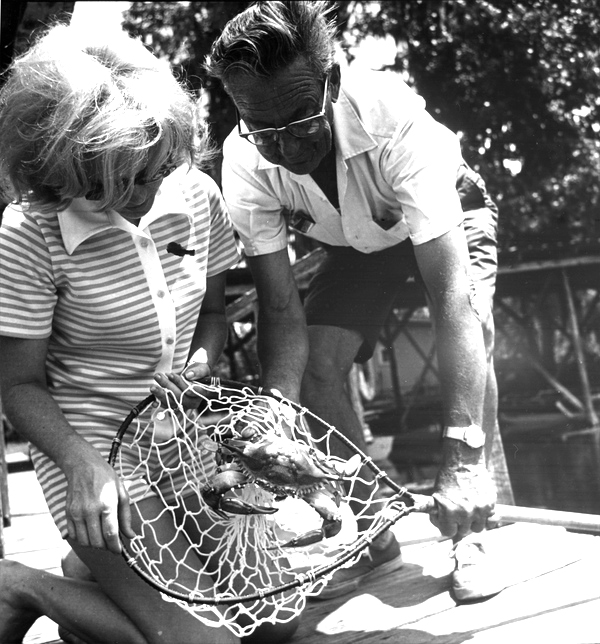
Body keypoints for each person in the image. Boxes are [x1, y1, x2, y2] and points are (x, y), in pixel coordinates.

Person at [206, 0, 515, 603]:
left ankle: (473, 528)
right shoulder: (243, 160)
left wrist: (459, 454)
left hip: (445, 214)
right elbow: (280, 310)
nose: (288, 149)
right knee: (320, 365)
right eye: (262, 128)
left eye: (300, 120)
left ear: (332, 80)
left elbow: (450, 299)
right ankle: (372, 530)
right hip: (354, 242)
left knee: (475, 327)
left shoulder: (391, 116)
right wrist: (276, 421)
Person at [0, 24, 299, 644]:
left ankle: (95, 578)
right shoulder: (28, 234)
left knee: (274, 625)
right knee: (201, 643)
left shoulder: (193, 191)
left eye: (156, 169)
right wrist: (84, 465)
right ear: (66, 161)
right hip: (94, 461)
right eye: (121, 178)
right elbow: (18, 385)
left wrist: (199, 360)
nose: (147, 193)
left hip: (185, 445)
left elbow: (213, 315)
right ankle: (19, 584)